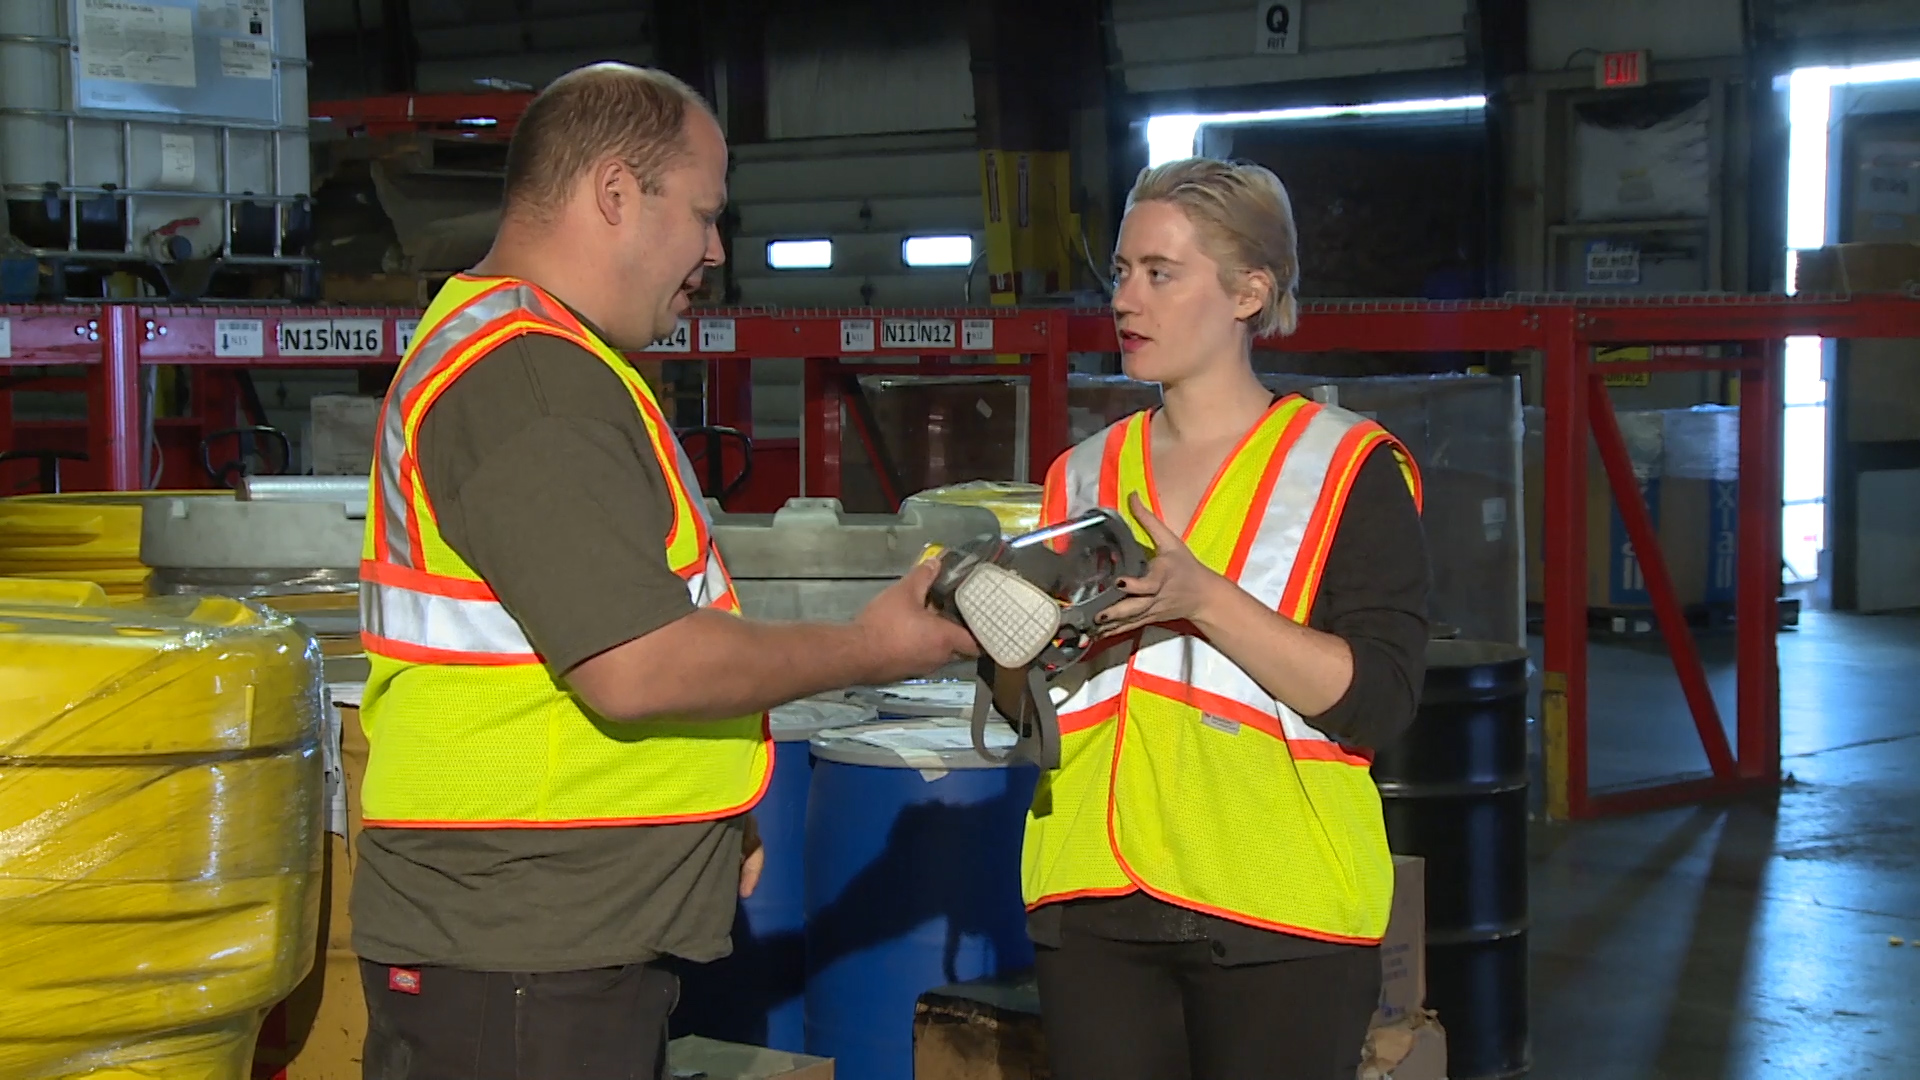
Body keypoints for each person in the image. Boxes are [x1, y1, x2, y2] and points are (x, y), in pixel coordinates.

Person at [350, 63, 977, 1080]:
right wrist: (874, 645)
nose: (714, 252)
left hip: (542, 936)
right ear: (614, 192)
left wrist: (696, 824)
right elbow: (635, 663)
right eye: (704, 214)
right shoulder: (529, 381)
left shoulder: (540, 356)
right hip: (522, 951)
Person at [1021, 156, 1431, 1080]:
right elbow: (1041, 701)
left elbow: (1381, 699)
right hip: (1091, 899)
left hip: (1279, 909)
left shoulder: (1345, 469)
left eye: (1160, 274)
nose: (1126, 299)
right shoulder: (1080, 475)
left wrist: (1205, 599)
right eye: (1121, 272)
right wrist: (992, 630)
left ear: (1251, 292)